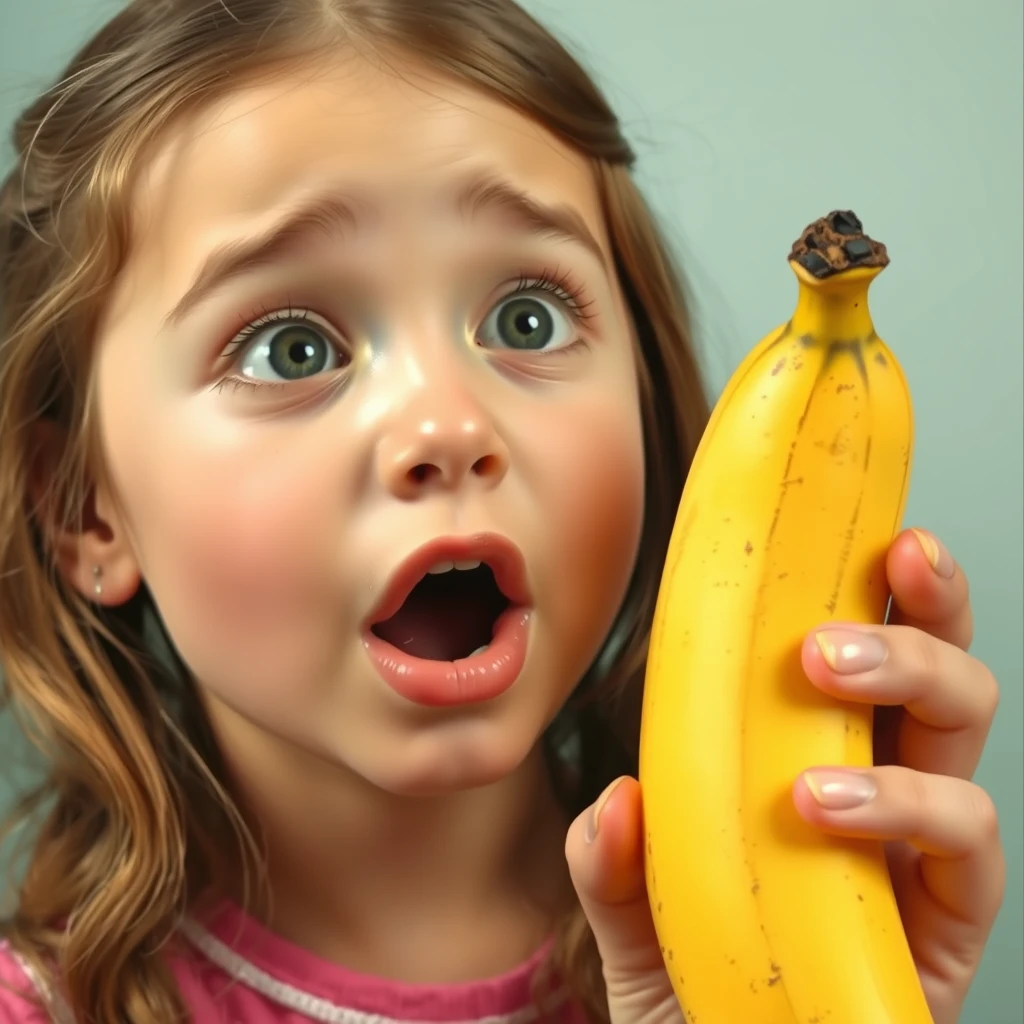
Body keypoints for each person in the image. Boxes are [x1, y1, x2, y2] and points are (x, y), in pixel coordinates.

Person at [0, 1, 1005, 1021]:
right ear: (85, 505)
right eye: (290, 349)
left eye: (524, 317)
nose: (446, 423)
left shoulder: (765, 958)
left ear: (650, 404)